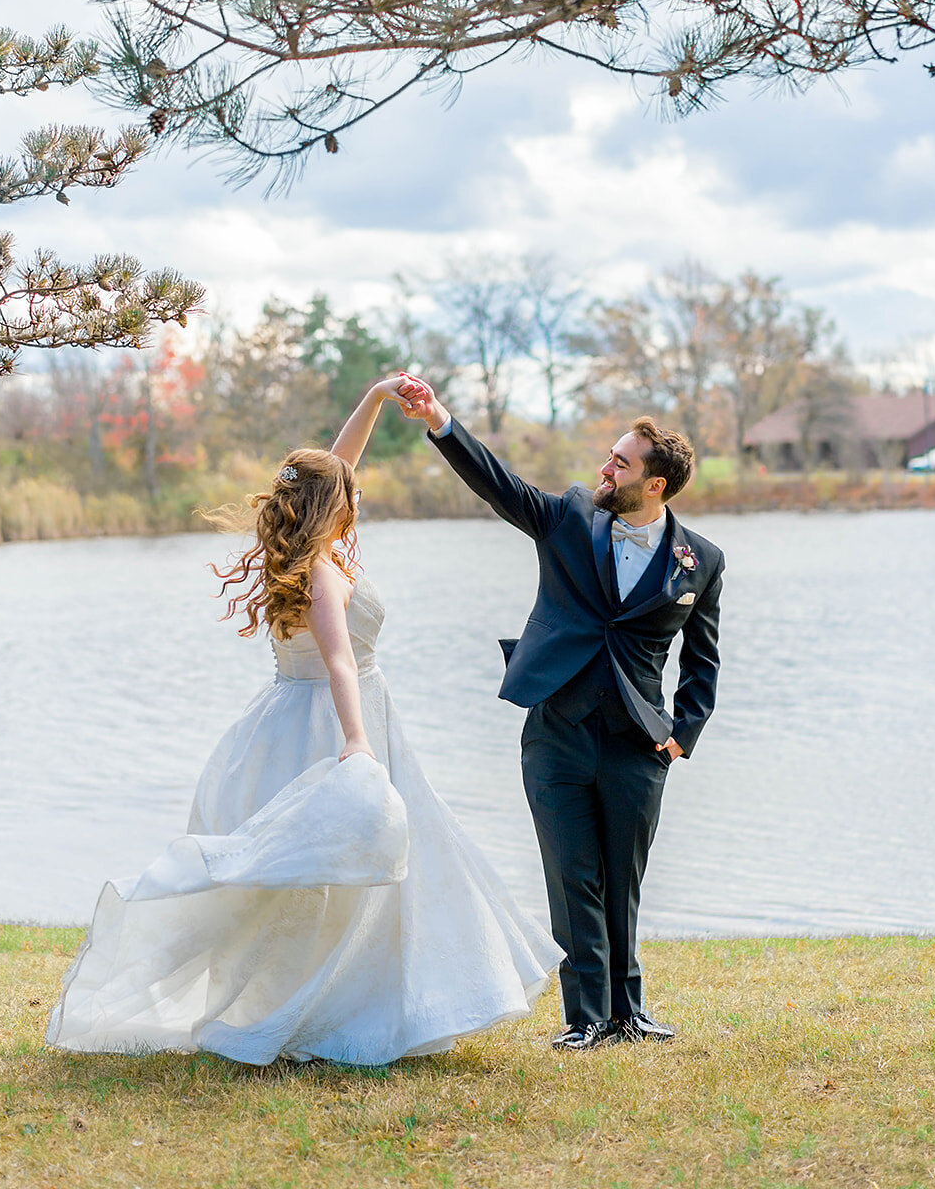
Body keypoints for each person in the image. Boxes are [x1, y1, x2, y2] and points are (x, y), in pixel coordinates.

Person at [47, 376, 561, 1067]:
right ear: (335, 505)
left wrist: (376, 397)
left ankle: (377, 999)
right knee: (335, 882)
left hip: (286, 717)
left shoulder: (299, 549)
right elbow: (341, 662)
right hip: (334, 718)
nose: (360, 491)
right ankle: (324, 1010)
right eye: (351, 489)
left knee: (360, 872)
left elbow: (334, 467)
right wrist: (355, 743)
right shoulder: (322, 569)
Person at [396, 376, 724, 1053]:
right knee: (571, 874)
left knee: (622, 879)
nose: (604, 468)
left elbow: (703, 661)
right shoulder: (569, 518)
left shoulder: (702, 561)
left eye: (621, 463)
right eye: (609, 456)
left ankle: (628, 1011)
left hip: (639, 742)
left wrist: (679, 738)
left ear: (655, 484)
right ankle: (585, 1019)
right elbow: (500, 485)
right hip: (556, 733)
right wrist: (438, 420)